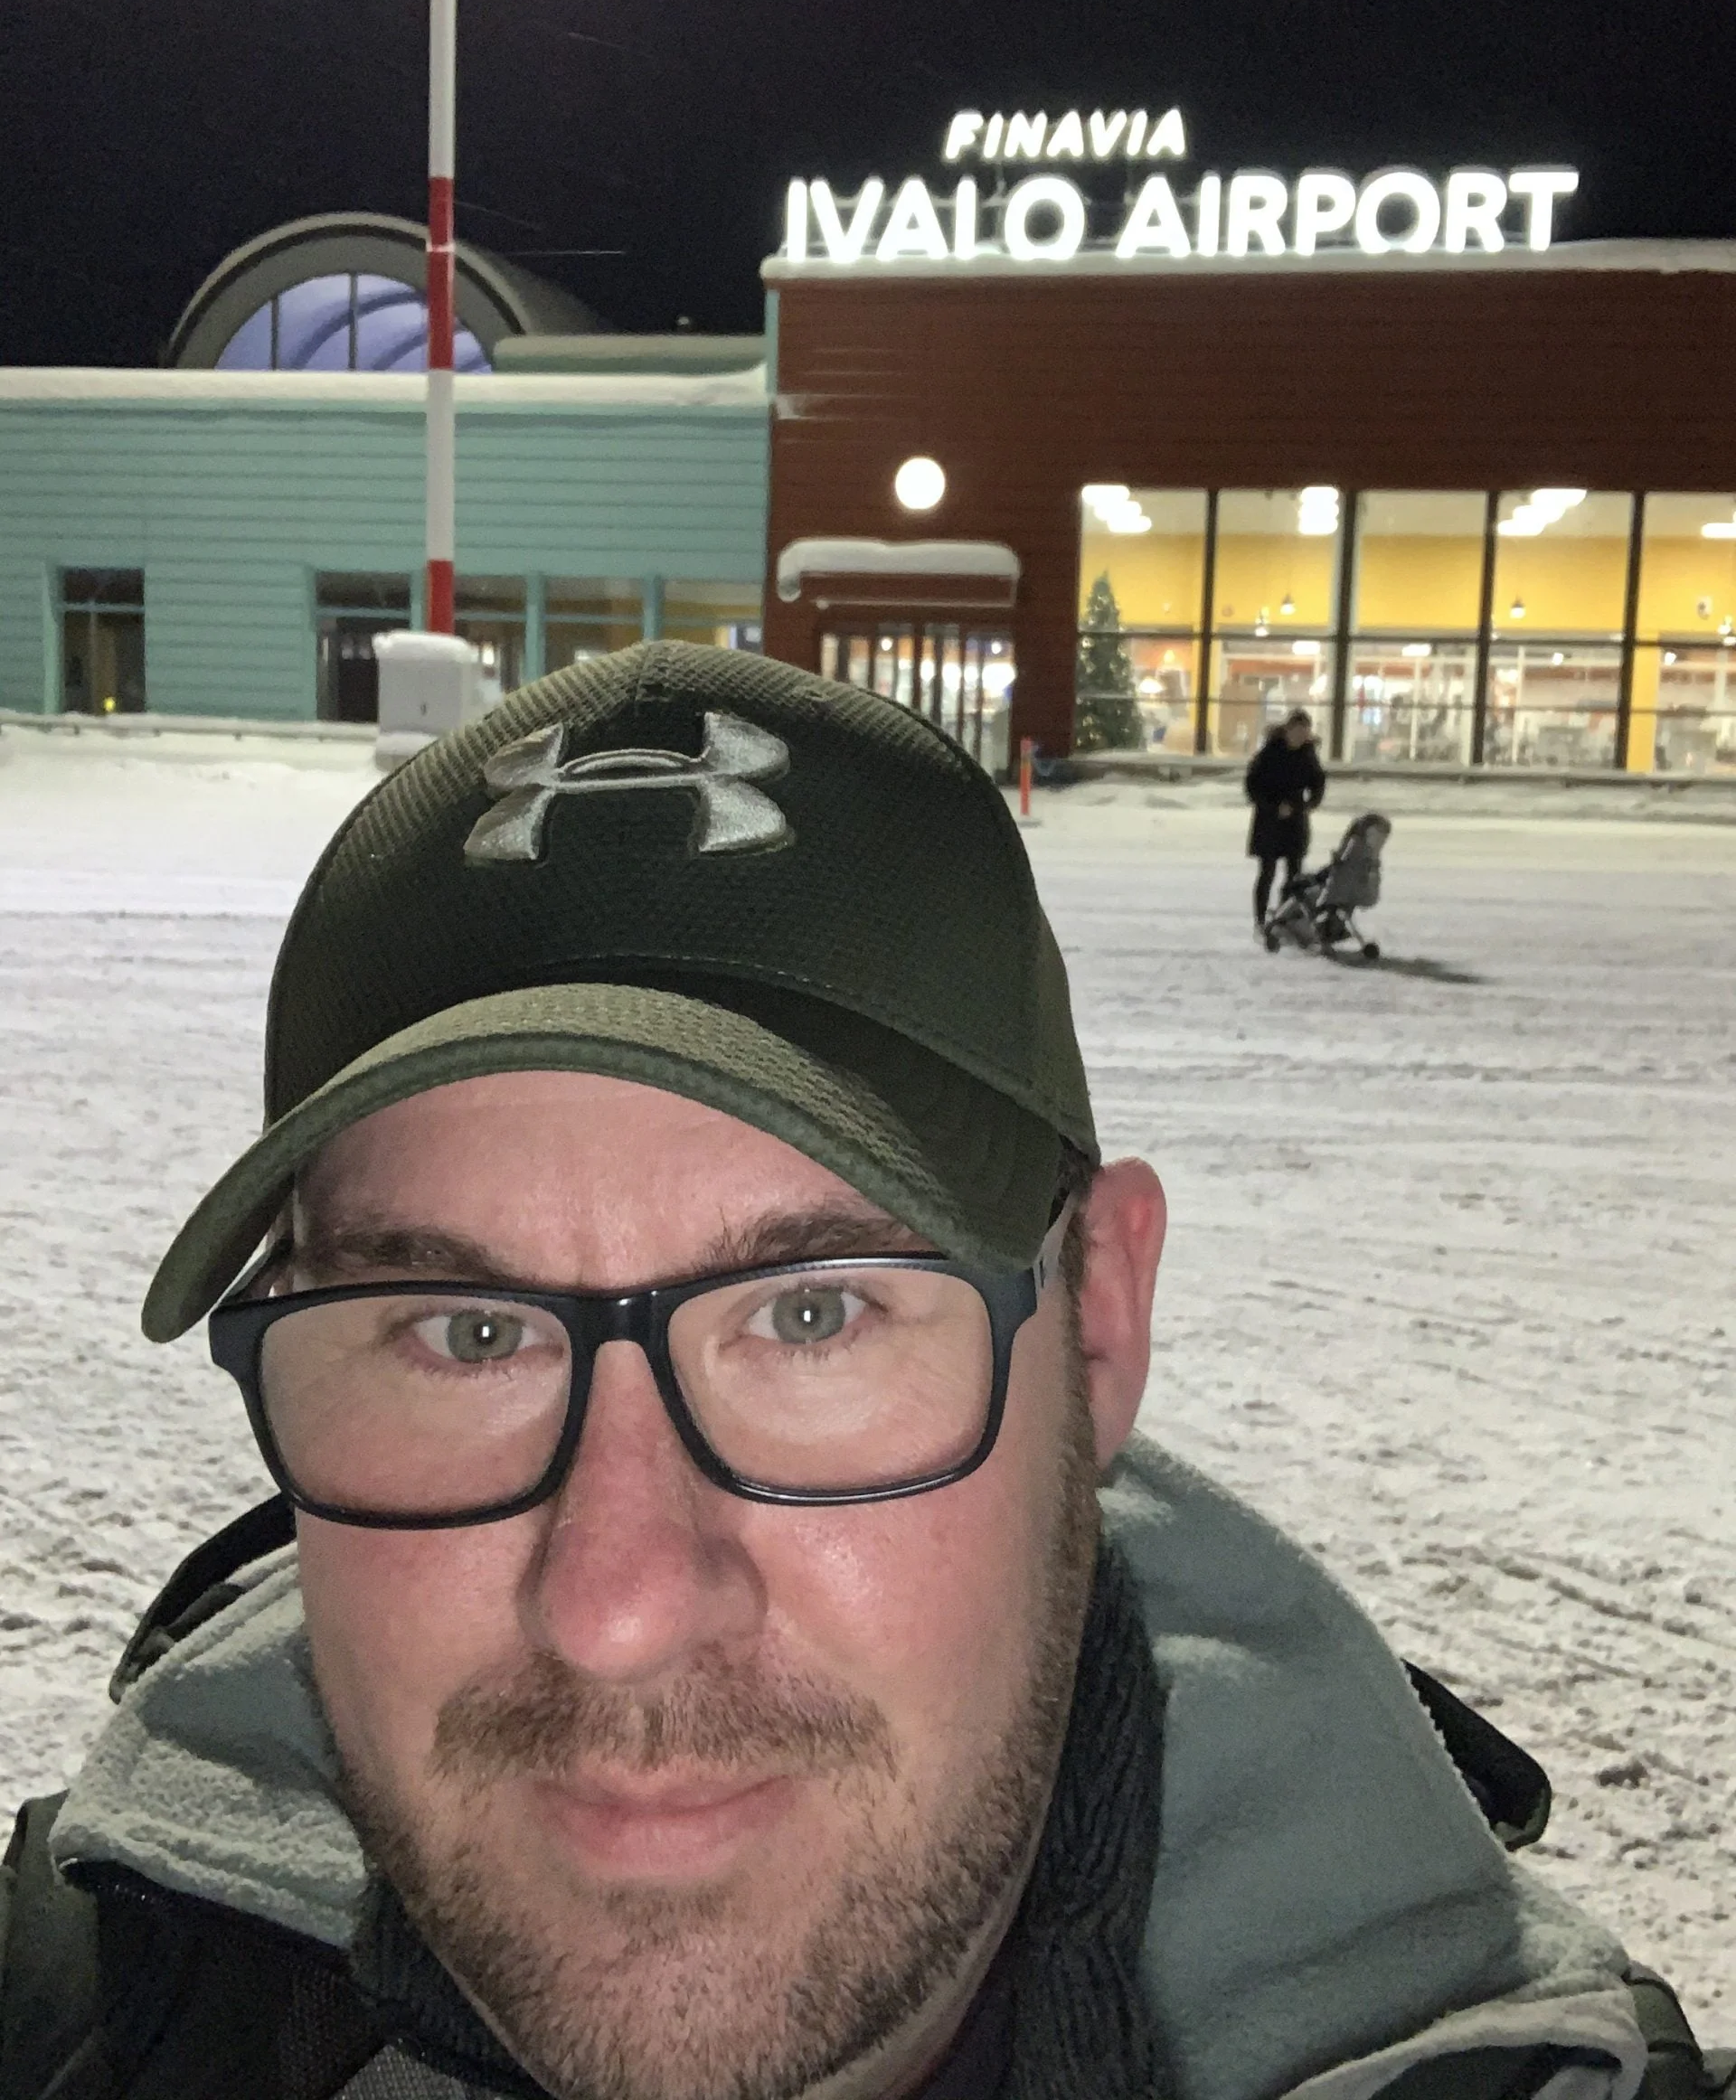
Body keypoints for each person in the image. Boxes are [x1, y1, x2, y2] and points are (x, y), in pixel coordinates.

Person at [2, 643, 1726, 2100]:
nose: (616, 1606)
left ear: (1100, 1328)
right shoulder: (84, 2008)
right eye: (469, 1333)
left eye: (815, 1315)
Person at [1246, 706, 1326, 930]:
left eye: (1305, 732)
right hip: (1269, 821)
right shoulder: (1270, 752)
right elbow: (1252, 785)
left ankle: (1285, 918)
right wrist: (1272, 807)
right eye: (1297, 731)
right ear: (1287, 730)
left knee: (1294, 875)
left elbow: (1318, 782)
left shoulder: (1308, 754)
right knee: (1267, 872)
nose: (1301, 737)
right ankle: (1261, 920)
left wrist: (1309, 804)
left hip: (1295, 820)